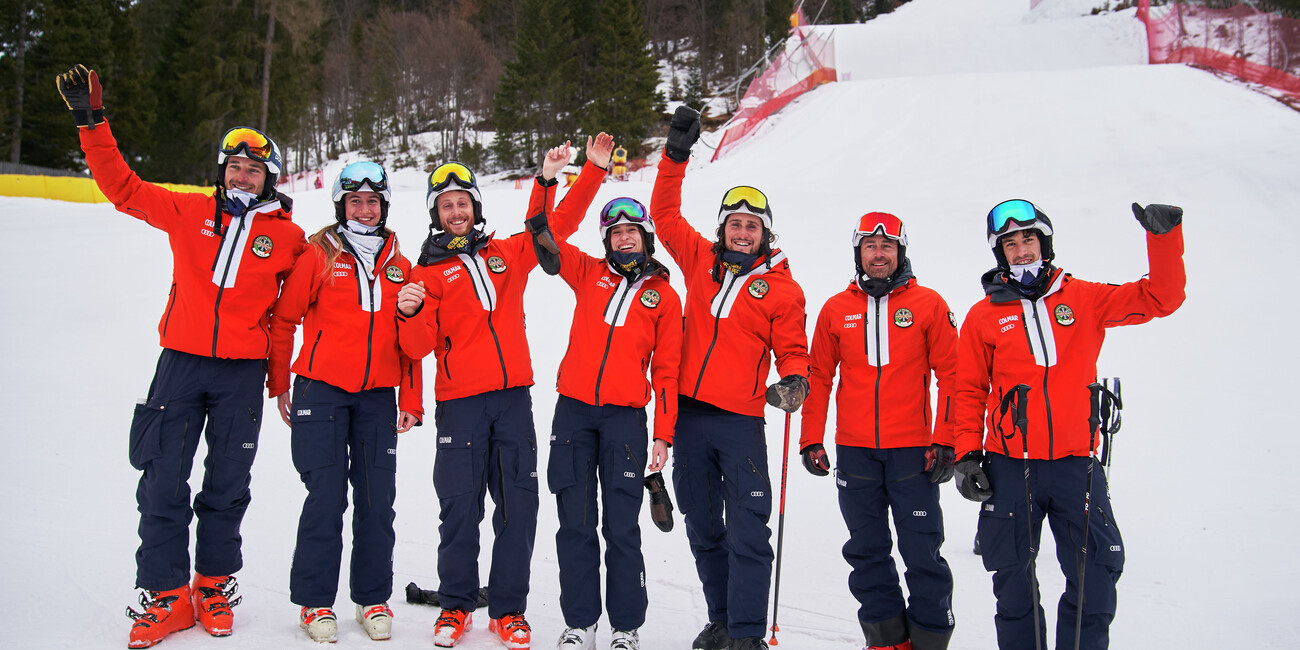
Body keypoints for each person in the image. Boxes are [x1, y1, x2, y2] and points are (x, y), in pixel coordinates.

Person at [55, 64, 307, 648]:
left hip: (242, 375)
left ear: (270, 178)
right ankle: (167, 596)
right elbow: (122, 188)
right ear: (223, 171)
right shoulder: (188, 211)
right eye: (235, 167)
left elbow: (290, 317)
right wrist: (92, 121)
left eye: (255, 169)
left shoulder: (291, 240)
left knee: (227, 483)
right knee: (162, 478)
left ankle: (213, 585)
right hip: (181, 365)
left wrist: (277, 383)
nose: (244, 176)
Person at [398, 135, 613, 649]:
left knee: (518, 505)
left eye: (463, 203)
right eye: (446, 205)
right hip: (459, 404)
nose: (456, 211)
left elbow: (553, 227)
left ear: (475, 207)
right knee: (459, 506)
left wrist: (584, 173)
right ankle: (454, 607)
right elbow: (416, 346)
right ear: (436, 213)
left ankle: (509, 610)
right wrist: (408, 310)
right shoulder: (424, 273)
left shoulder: (506, 254)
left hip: (513, 399)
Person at [952, 199, 1186, 650]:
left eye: (1029, 239)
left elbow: (1162, 297)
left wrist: (1163, 239)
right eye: (1011, 243)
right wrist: (966, 454)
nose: (1021, 250)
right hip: (1009, 464)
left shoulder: (1085, 298)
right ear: (1000, 253)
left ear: (1045, 243)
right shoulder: (983, 316)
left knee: (1097, 571)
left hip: (1075, 462)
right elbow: (968, 391)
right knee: (1013, 580)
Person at [650, 106, 811, 650]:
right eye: (735, 224)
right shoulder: (699, 258)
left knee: (749, 530)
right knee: (703, 526)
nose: (743, 233)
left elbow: (794, 351)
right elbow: (664, 215)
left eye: (753, 226)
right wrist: (674, 157)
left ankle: (746, 634)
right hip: (689, 418)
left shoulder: (783, 290)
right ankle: (721, 618)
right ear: (723, 229)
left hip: (741, 424)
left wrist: (794, 383)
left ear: (766, 233)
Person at [267, 162, 424, 642]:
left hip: (377, 397)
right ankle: (315, 604)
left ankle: (371, 598)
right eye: (355, 200)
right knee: (326, 498)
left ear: (385, 205)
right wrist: (279, 384)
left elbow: (412, 340)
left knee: (378, 503)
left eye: (373, 201)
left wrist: (410, 399)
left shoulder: (400, 261)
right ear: (341, 205)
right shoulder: (319, 254)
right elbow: (284, 319)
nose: (364, 208)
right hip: (322, 391)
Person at [528, 185, 683, 650]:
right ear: (606, 241)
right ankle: (581, 623)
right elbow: (546, 234)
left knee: (621, 528)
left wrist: (664, 435)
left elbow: (668, 372)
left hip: (626, 422)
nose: (623, 239)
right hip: (573, 414)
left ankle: (625, 628)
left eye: (632, 231)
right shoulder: (586, 271)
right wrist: (549, 180)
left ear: (646, 236)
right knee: (574, 523)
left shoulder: (664, 298)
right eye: (615, 233)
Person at [798, 213, 959, 650]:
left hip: (914, 452)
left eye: (887, 246)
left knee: (922, 552)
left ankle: (929, 640)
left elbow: (953, 376)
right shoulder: (836, 308)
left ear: (900, 251)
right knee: (867, 552)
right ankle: (886, 641)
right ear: (859, 253)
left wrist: (947, 440)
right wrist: (811, 436)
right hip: (855, 452)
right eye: (870, 246)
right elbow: (820, 376)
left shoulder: (928, 304)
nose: (879, 253)